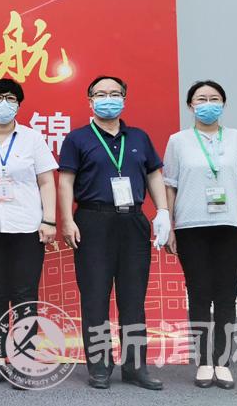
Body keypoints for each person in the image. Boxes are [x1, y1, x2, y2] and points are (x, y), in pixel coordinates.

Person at [58, 75, 169, 391]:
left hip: (132, 222)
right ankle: (100, 366)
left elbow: (154, 175)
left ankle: (135, 367)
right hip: (93, 221)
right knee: (95, 298)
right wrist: (67, 220)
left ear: (124, 98)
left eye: (115, 93)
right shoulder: (77, 138)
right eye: (101, 94)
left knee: (133, 298)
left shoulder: (139, 137)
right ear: (90, 100)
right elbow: (66, 181)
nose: (109, 98)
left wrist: (162, 211)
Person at [163, 80, 237, 390]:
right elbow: (170, 185)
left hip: (231, 226)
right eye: (201, 99)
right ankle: (204, 361)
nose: (208, 104)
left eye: (214, 98)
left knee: (226, 295)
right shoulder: (178, 141)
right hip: (191, 227)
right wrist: (170, 227)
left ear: (223, 104)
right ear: (190, 105)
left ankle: (223, 361)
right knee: (199, 293)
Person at [0, 78, 58, 388]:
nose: (4, 103)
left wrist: (49, 220)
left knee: (25, 295)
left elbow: (46, 180)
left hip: (27, 227)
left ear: (19, 104)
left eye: (10, 98)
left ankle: (25, 360)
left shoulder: (32, 138)